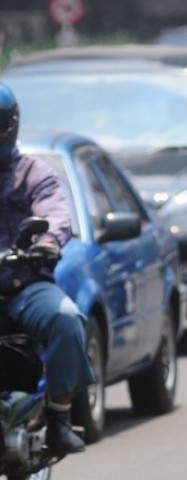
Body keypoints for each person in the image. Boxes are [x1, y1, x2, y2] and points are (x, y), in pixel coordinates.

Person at [0, 82, 91, 456]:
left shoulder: (34, 173)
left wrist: (47, 243)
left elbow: (55, 212)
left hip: (22, 285)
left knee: (67, 319)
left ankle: (59, 419)